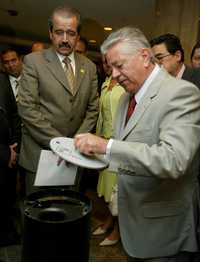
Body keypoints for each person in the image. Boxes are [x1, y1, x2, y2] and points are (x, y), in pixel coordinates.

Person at [74, 27, 200, 262]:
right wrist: (87, 156)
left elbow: (174, 159)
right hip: (133, 224)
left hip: (163, 228)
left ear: (145, 56)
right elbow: (126, 155)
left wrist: (107, 146)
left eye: (119, 65)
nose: (114, 75)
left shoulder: (181, 93)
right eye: (111, 67)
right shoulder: (125, 99)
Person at [17, 5, 98, 195]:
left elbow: (93, 109)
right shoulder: (33, 62)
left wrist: (75, 145)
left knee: (70, 213)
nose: (64, 39)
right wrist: (61, 145)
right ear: (50, 33)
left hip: (75, 158)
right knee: (40, 217)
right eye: (59, 32)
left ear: (78, 36)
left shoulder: (90, 67)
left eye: (70, 33)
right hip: (41, 157)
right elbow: (28, 109)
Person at [93, 56, 124, 246]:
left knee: (117, 189)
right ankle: (109, 220)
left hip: (119, 144)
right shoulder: (105, 83)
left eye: (110, 62)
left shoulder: (125, 82)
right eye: (104, 62)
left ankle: (118, 230)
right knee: (105, 186)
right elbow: (101, 116)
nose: (107, 66)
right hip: (103, 142)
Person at [0, 72, 21, 246]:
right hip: (2, 150)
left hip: (8, 148)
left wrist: (13, 144)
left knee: (6, 192)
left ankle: (7, 232)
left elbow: (13, 113)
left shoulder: (2, 79)